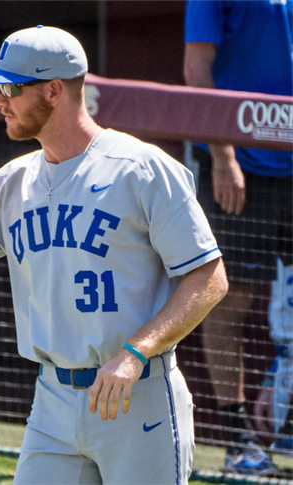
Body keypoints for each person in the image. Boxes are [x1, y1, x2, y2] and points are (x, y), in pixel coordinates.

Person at [0, 26, 228, 484]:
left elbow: (209, 278)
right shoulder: (8, 185)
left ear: (54, 90)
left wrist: (136, 352)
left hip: (138, 396)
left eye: (11, 88)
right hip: (52, 402)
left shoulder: (141, 169)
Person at [184, 0, 293, 475]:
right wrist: (223, 154)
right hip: (239, 168)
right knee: (231, 303)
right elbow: (197, 67)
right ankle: (239, 443)